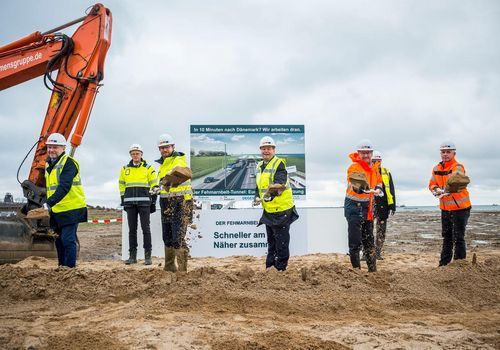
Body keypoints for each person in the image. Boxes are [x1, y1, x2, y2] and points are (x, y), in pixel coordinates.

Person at [253, 136, 299, 271]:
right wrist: (256, 196)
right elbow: (258, 185)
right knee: (271, 242)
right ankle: (270, 268)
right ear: (260, 150)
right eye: (263, 149)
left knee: (281, 242)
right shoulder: (259, 165)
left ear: (274, 150)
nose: (266, 151)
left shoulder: (279, 163)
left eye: (269, 148)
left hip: (282, 209)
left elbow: (280, 184)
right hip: (269, 210)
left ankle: (280, 270)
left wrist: (270, 195)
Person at [44, 133, 87, 268]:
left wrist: (48, 203)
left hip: (72, 208)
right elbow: (50, 188)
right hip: (57, 210)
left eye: (55, 147)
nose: (51, 150)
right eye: (49, 147)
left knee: (68, 240)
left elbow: (64, 187)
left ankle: (69, 270)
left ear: (63, 148)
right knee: (58, 241)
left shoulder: (69, 163)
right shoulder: (48, 165)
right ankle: (61, 267)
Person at [429, 141, 471, 267]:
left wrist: (446, 190)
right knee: (447, 237)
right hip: (445, 208)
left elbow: (456, 180)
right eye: (443, 152)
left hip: (460, 208)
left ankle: (459, 265)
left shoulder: (458, 167)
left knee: (458, 237)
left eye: (448, 152)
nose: (445, 154)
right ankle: (444, 265)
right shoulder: (436, 168)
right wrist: (436, 190)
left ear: (454, 153)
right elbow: (431, 184)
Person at [155, 133, 193, 272]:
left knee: (178, 236)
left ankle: (182, 271)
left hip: (181, 203)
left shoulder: (179, 160)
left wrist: (167, 181)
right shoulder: (162, 165)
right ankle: (169, 266)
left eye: (167, 147)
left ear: (173, 147)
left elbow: (182, 173)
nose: (164, 150)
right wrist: (158, 186)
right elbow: (164, 183)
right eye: (162, 148)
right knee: (168, 236)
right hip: (166, 202)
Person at [344, 139, 383, 272]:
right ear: (358, 153)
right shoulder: (354, 167)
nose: (366, 155)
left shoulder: (375, 167)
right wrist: (364, 189)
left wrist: (378, 188)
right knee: (355, 242)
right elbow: (356, 184)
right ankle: (357, 271)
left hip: (368, 208)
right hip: (354, 207)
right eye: (363, 153)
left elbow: (379, 181)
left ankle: (373, 271)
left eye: (368, 153)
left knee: (369, 240)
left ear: (372, 153)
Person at [119, 144, 158, 265]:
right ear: (130, 155)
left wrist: (153, 202)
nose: (135, 155)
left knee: (146, 229)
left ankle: (148, 257)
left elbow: (154, 186)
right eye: (133, 153)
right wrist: (123, 201)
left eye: (137, 153)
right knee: (132, 230)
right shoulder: (125, 169)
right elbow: (121, 185)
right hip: (130, 204)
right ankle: (132, 256)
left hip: (144, 203)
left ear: (141, 154)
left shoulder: (148, 168)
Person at [371, 151, 396, 260]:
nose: (377, 162)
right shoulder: (368, 171)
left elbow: (391, 188)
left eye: (379, 160)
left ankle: (377, 252)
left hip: (383, 204)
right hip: (370, 204)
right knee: (367, 229)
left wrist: (392, 205)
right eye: (374, 161)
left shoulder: (386, 172)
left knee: (381, 230)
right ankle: (367, 252)